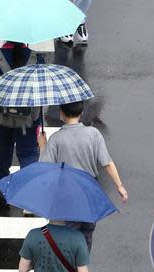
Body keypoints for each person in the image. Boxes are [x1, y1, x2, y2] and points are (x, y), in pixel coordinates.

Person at [39, 100, 128, 251]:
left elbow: (45, 168)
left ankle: (73, 269)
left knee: (70, 232)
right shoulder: (93, 134)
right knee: (87, 231)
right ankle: (83, 265)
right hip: (89, 190)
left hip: (68, 192)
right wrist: (119, 186)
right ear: (81, 113)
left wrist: (42, 145)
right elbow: (107, 162)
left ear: (61, 113)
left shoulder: (56, 139)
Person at [0, 42, 46, 192]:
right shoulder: (36, 58)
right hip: (28, 118)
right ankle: (29, 191)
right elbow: (43, 86)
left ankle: (4, 182)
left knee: (4, 146)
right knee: (28, 152)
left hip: (3, 116)